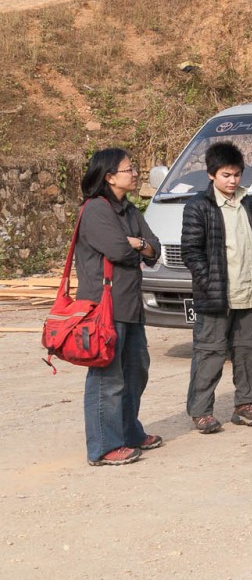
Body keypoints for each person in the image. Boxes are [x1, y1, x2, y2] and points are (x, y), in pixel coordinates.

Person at [76, 148, 162, 467]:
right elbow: (118, 250)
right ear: (110, 176)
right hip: (104, 308)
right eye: (129, 169)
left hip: (130, 305)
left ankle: (129, 432)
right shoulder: (96, 211)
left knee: (136, 372)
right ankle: (103, 446)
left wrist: (138, 244)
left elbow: (155, 249)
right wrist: (136, 245)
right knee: (107, 378)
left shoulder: (129, 210)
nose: (135, 173)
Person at [181, 142, 252, 435]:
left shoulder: (246, 202)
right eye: (225, 175)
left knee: (248, 351)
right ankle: (201, 411)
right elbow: (191, 252)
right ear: (211, 175)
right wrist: (208, 282)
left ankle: (247, 405)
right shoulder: (199, 205)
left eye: (236, 174)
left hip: (248, 291)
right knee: (210, 352)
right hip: (216, 295)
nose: (232, 181)